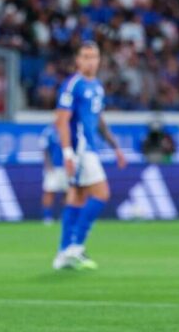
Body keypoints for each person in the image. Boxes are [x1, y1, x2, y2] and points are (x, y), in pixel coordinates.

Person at [52, 41, 127, 271]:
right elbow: (61, 121)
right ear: (77, 60)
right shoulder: (72, 85)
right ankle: (76, 246)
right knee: (102, 193)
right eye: (85, 56)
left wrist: (115, 146)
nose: (90, 61)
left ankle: (64, 252)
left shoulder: (97, 86)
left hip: (90, 147)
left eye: (94, 57)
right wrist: (68, 153)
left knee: (76, 198)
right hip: (81, 149)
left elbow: (98, 120)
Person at [38, 124, 68, 225]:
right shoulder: (48, 131)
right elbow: (44, 149)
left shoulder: (69, 129)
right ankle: (47, 217)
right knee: (49, 191)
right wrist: (48, 165)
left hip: (67, 167)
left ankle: (65, 217)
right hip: (54, 167)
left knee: (68, 193)